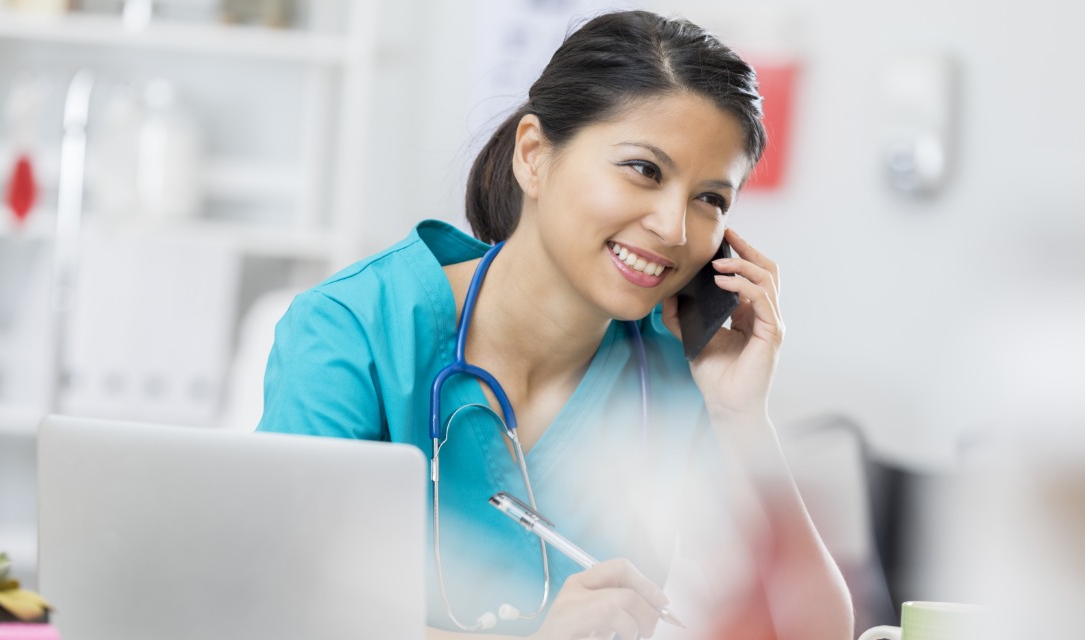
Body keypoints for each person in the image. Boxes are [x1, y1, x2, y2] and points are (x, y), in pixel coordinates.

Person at [258, 9, 853, 640]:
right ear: (534, 155)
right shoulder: (354, 332)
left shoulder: (676, 369)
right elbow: (275, 612)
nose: (674, 229)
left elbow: (815, 633)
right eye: (644, 170)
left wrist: (741, 415)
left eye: (710, 199)